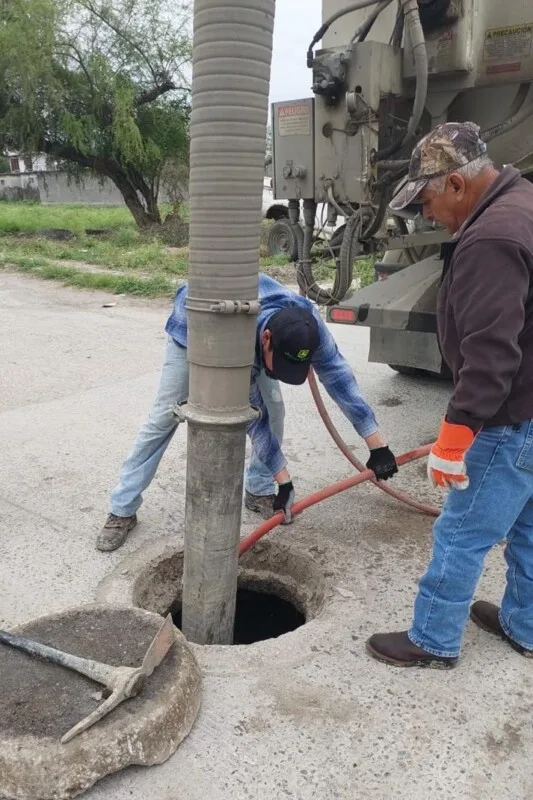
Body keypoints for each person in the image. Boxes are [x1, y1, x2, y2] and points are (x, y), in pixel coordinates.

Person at [367, 121, 533, 668]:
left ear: (458, 186)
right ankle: (525, 624)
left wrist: (456, 434)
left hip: (510, 416)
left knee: (461, 532)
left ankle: (433, 639)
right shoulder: (523, 202)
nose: (426, 216)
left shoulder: (492, 239)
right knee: (529, 527)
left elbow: (491, 354)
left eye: (428, 202)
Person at [97, 273, 398, 552]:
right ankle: (122, 509)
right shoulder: (238, 341)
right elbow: (253, 418)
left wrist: (378, 445)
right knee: (164, 417)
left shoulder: (308, 326)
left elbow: (339, 379)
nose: (282, 374)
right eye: (280, 365)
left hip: (254, 322)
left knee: (276, 409)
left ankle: (258, 489)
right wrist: (286, 479)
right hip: (195, 327)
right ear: (267, 340)